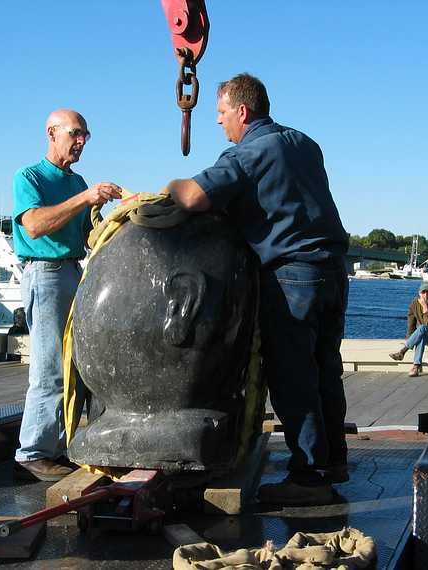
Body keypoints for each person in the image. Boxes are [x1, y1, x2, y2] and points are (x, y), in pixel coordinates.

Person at [164, 73, 350, 506]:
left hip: (292, 277)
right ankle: (332, 461)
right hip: (333, 273)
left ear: (242, 112)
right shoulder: (305, 143)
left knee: (293, 376)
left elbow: (192, 197)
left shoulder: (249, 153)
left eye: (222, 113)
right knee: (325, 370)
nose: (219, 123)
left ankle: (308, 479)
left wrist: (168, 187)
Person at [12, 108, 121, 481]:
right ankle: (33, 452)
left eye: (85, 136)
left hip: (74, 272)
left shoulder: (78, 183)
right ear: (51, 133)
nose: (80, 142)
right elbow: (36, 225)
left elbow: (88, 235)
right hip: (45, 275)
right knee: (50, 367)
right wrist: (85, 198)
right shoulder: (29, 177)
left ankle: (65, 445)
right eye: (75, 134)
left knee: (79, 364)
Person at [389, 282, 428, 377]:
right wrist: (410, 337)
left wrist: (424, 307)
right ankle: (416, 366)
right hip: (423, 334)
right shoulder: (414, 303)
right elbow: (411, 323)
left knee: (422, 328)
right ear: (419, 293)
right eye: (423, 292)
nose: (425, 295)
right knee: (421, 336)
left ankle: (403, 351)